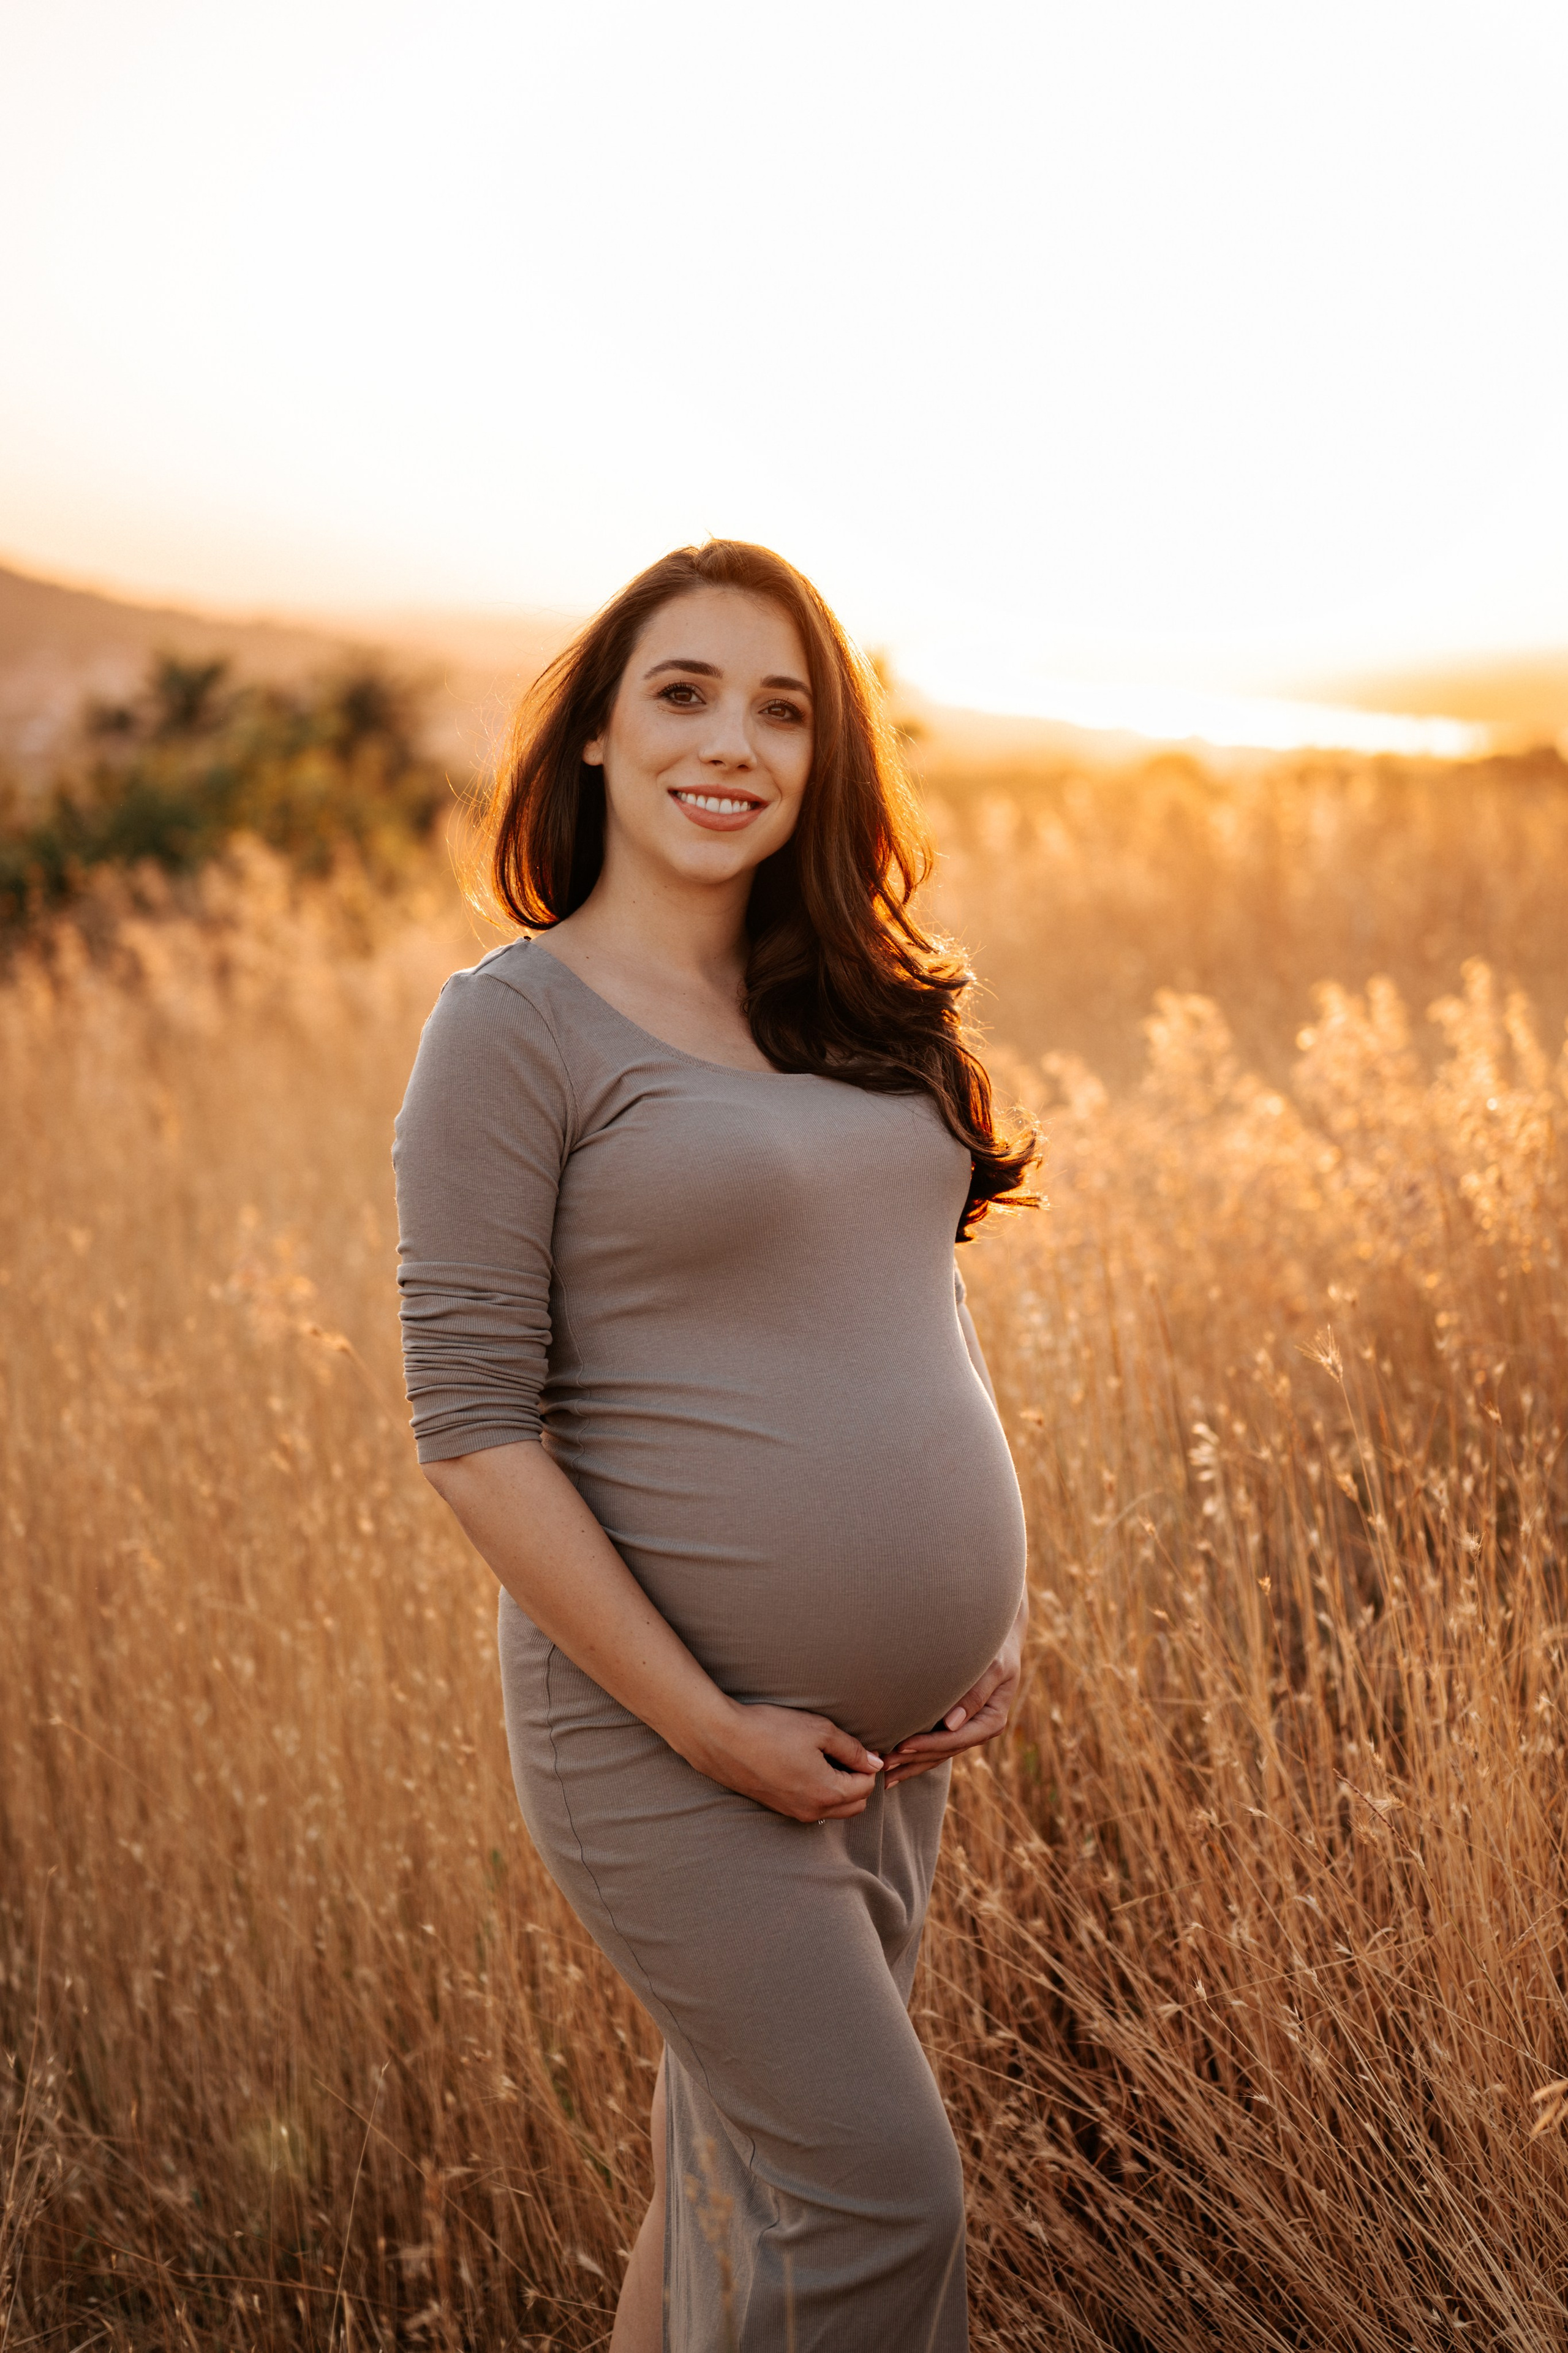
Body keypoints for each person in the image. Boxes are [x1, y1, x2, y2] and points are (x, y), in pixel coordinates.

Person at [393, 540, 1034, 2352]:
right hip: (665, 1741)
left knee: (739, 2190)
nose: (731, 742)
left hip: (887, 1740)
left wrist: (996, 1603)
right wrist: (712, 1728)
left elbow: (919, 1302)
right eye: (683, 692)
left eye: (784, 708)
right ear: (596, 733)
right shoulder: (513, 1029)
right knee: (876, 2203)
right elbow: (471, 1429)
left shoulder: (858, 1008)